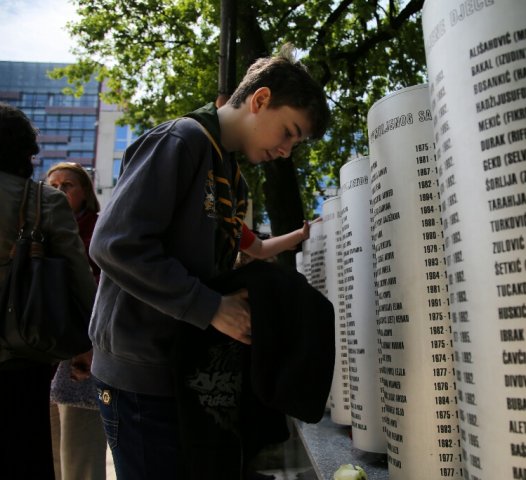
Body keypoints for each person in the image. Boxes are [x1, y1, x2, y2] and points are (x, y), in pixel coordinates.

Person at [88, 44, 329, 479]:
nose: (288, 150)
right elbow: (113, 244)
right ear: (260, 100)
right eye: (289, 132)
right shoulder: (182, 140)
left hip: (181, 373)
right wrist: (212, 307)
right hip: (139, 376)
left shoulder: (231, 178)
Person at [0, 104, 96, 479]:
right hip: (24, 350)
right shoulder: (44, 201)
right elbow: (79, 279)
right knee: (27, 449)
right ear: (26, 152)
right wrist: (87, 345)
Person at [46, 162, 107, 480]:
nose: (58, 191)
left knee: (80, 453)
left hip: (83, 351)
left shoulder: (100, 230)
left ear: (85, 192)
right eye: (52, 185)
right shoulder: (33, 229)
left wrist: (90, 346)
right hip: (40, 350)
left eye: (67, 185)